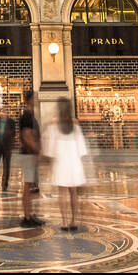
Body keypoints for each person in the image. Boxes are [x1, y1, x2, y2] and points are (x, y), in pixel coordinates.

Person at [43, 98, 89, 231]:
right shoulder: (75, 125)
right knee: (73, 192)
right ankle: (73, 221)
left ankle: (64, 222)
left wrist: (50, 160)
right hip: (74, 162)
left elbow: (50, 149)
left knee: (62, 192)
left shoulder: (53, 125)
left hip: (61, 162)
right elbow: (82, 148)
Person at [18, 91, 43, 227]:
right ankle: (27, 217)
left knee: (31, 187)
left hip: (31, 155)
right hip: (28, 155)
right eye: (35, 99)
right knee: (27, 187)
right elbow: (26, 135)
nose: (37, 101)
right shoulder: (27, 116)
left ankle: (29, 215)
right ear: (30, 100)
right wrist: (38, 151)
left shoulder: (30, 115)